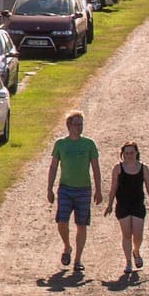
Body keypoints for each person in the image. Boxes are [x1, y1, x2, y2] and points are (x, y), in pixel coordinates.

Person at [46, 111, 102, 272]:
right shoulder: (61, 144)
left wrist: (98, 189)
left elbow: (96, 168)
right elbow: (53, 167)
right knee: (62, 221)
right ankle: (67, 246)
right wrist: (49, 188)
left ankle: (78, 259)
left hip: (84, 189)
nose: (79, 127)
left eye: (81, 124)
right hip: (65, 188)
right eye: (76, 124)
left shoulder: (89, 144)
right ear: (69, 125)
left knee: (81, 224)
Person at [105, 141, 149, 275]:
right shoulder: (118, 168)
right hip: (123, 205)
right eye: (127, 153)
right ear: (123, 154)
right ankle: (128, 262)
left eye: (132, 153)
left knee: (138, 235)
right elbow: (113, 187)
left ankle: (136, 251)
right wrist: (110, 204)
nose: (129, 155)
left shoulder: (143, 168)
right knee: (127, 234)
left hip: (138, 204)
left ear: (136, 153)